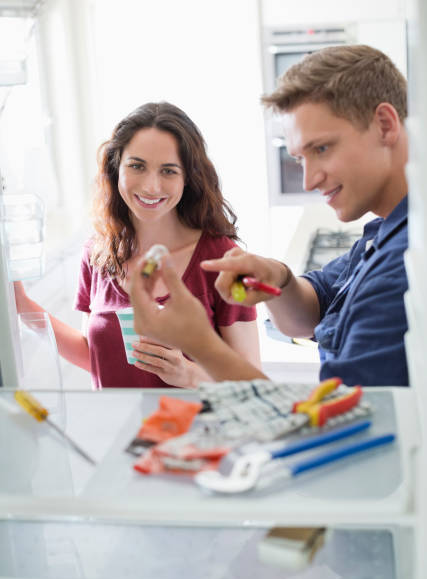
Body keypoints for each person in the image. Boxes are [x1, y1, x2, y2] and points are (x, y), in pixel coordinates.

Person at [129, 45, 409, 387]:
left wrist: (200, 344)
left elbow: (338, 425)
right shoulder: (386, 230)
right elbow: (313, 309)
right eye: (300, 158)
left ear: (384, 124)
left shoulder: (406, 262)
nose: (309, 181)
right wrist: (279, 279)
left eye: (321, 148)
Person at [14, 102, 260, 388]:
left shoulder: (225, 259)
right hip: (118, 429)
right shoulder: (98, 253)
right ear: (116, 167)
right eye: (137, 166)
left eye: (168, 171)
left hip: (199, 430)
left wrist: (190, 375)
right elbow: (95, 357)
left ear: (188, 178)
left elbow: (252, 381)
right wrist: (23, 307)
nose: (150, 186)